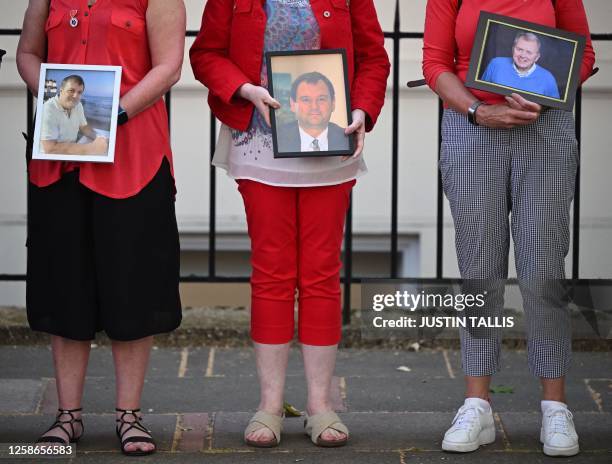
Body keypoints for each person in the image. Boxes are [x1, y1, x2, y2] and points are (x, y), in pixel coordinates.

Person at [191, 0, 389, 448]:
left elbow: (374, 57)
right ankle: (270, 405)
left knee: (321, 272)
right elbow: (205, 54)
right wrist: (243, 88)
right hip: (259, 144)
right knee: (272, 272)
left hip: (329, 143)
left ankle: (321, 406)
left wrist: (361, 111)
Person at [423, 0, 595, 457]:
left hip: (546, 128)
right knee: (480, 270)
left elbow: (585, 55)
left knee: (543, 271)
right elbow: (435, 64)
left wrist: (547, 92)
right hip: (471, 126)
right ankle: (477, 404)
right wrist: (479, 110)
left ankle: (555, 408)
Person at [16, 0, 185, 456]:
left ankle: (129, 416)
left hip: (134, 157)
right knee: (66, 285)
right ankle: (67, 417)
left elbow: (169, 66)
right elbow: (27, 54)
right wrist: (54, 99)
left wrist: (112, 114)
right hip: (61, 157)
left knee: (131, 286)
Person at [277, 71, 349, 153]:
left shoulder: (347, 139)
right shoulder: (277, 138)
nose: (314, 107)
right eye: (306, 100)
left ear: (333, 103)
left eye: (321, 99)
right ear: (293, 104)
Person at [40, 75, 109, 155]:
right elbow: (50, 149)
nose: (75, 96)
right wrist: (92, 148)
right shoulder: (48, 108)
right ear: (61, 90)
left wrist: (99, 137)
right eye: (71, 91)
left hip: (70, 156)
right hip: (50, 161)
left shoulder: (78, 105)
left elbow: (84, 127)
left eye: (79, 92)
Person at [481, 31, 560, 98]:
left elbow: (554, 111)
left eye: (529, 52)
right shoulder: (496, 64)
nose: (523, 55)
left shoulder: (548, 78)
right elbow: (480, 93)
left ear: (537, 57)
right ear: (513, 49)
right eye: (519, 49)